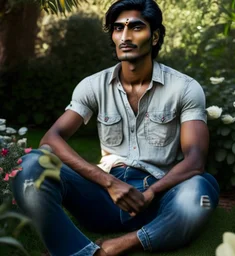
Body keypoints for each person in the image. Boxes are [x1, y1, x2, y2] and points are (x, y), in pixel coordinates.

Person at [12, 0, 220, 255]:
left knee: (200, 190)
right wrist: (109, 183)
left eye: (135, 27)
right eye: (118, 28)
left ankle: (124, 243)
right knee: (31, 164)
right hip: (101, 199)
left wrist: (152, 192)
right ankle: (83, 251)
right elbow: (51, 138)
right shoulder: (93, 85)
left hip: (159, 200)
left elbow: (196, 160)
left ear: (154, 37)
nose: (125, 36)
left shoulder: (185, 88)